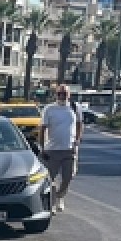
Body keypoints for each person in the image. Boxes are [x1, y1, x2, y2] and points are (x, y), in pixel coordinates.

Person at [38, 84, 82, 213]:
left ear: (69, 95)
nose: (62, 96)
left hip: (69, 149)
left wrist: (77, 141)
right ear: (55, 95)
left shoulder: (75, 108)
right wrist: (42, 147)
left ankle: (60, 197)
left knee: (68, 176)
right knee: (50, 178)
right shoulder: (49, 109)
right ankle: (51, 203)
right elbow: (43, 128)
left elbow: (79, 124)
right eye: (59, 94)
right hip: (52, 149)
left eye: (64, 94)